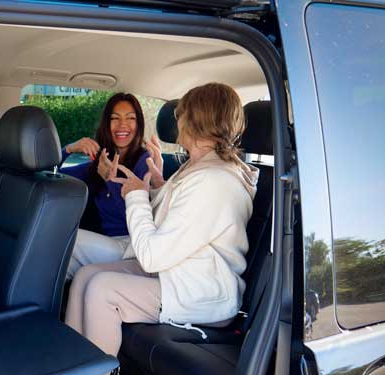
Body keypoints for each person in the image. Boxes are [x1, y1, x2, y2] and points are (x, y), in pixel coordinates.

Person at [65, 82, 258, 357]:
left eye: (182, 113)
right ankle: (72, 365)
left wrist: (136, 196)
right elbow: (180, 221)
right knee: (86, 275)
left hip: (201, 292)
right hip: (178, 272)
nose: (176, 120)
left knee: (101, 289)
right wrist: (157, 186)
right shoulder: (198, 168)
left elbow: (151, 256)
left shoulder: (213, 181)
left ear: (195, 120)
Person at [58, 93, 160, 278]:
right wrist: (69, 149)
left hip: (131, 246)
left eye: (130, 118)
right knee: (58, 266)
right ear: (107, 124)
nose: (122, 125)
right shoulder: (102, 161)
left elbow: (133, 216)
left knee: (62, 235)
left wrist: (110, 181)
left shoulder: (146, 161)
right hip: (107, 244)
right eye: (115, 118)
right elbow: (52, 176)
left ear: (139, 125)